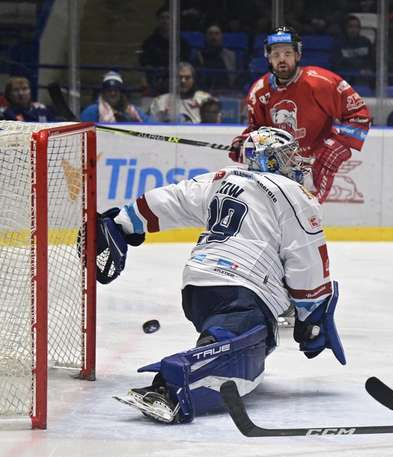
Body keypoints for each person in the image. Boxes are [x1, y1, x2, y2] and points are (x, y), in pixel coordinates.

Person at [99, 127, 345, 424]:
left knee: (254, 338)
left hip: (197, 287)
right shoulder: (292, 193)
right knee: (248, 351)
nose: (295, 160)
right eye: (286, 154)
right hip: (243, 286)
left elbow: (171, 200)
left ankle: (212, 343)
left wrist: (123, 222)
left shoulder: (221, 178)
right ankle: (171, 384)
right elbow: (306, 256)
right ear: (268, 159)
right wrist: (312, 314)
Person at [229, 26, 371, 205]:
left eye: (288, 53)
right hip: (280, 166)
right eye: (276, 54)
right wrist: (244, 144)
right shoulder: (259, 91)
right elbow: (257, 130)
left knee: (303, 216)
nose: (282, 59)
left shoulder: (321, 82)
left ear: (297, 55)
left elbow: (359, 116)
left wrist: (336, 147)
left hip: (315, 164)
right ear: (268, 57)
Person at [149, 62, 213, 123]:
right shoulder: (160, 101)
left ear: (194, 79)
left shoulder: (205, 99)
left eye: (187, 77)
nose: (183, 81)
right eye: (179, 77)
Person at [80, 71, 148, 123]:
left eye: (116, 90)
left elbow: (153, 125)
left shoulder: (133, 111)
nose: (113, 93)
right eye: (109, 90)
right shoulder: (91, 112)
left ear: (121, 92)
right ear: (103, 92)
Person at [192, 24, 238, 90]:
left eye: (217, 34)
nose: (213, 37)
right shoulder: (199, 55)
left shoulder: (231, 55)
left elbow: (236, 77)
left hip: (227, 91)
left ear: (221, 36)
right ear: (206, 37)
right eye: (210, 34)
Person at [330, 15, 375, 82]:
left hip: (364, 79)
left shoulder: (366, 42)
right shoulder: (339, 43)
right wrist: (358, 70)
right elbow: (336, 63)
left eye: (356, 27)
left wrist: (369, 69)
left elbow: (372, 60)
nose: (354, 29)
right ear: (345, 28)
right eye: (350, 27)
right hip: (346, 79)